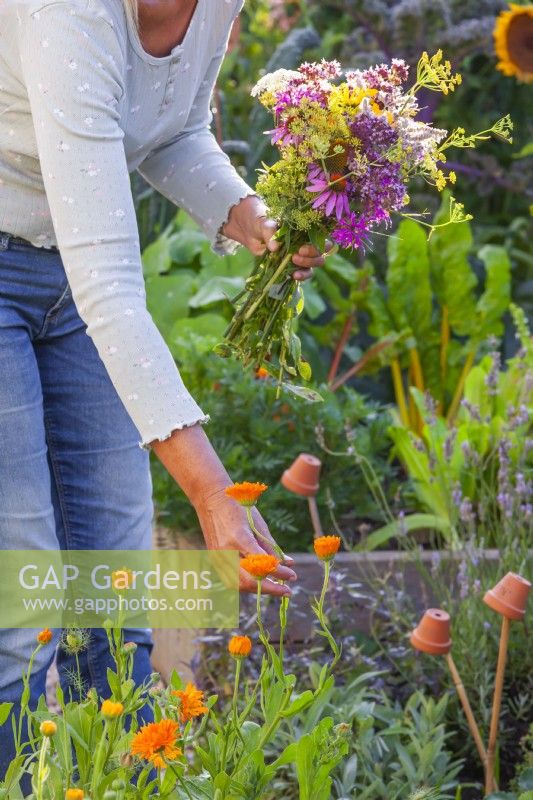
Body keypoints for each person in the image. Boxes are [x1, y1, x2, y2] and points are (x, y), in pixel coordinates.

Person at [0, 0, 325, 776]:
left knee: (114, 596)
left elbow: (175, 129)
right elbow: (110, 284)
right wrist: (213, 493)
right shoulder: (67, 12)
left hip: (70, 277)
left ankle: (121, 788)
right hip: (37, 265)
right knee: (25, 605)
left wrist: (248, 216)